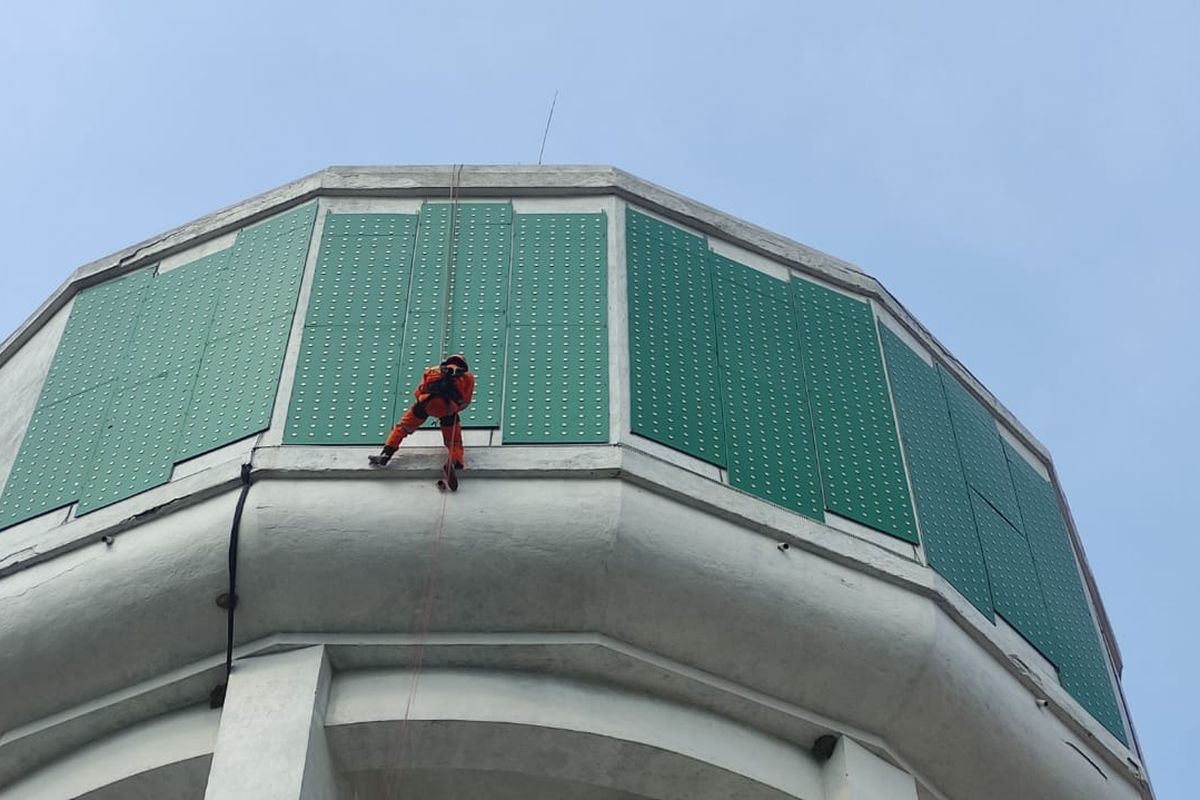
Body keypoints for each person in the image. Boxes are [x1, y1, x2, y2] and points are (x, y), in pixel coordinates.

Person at [368, 354, 475, 468]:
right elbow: (465, 400)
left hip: (425, 404)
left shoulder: (433, 370)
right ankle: (456, 461)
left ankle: (386, 454)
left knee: (401, 428)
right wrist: (453, 410)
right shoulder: (468, 377)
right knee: (454, 442)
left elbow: (419, 391)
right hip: (448, 408)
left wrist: (423, 402)